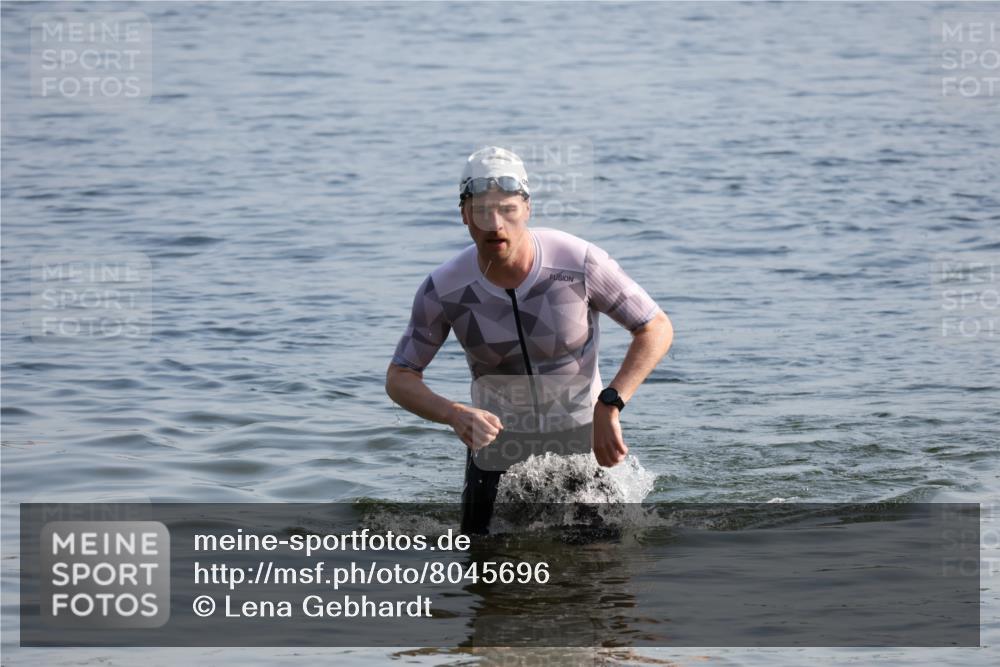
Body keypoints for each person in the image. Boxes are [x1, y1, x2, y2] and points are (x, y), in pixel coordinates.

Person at [386, 146, 673, 534]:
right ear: (464, 216)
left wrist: (612, 403)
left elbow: (654, 328)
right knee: (485, 575)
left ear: (527, 208)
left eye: (506, 208)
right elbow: (401, 376)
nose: (495, 223)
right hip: (496, 456)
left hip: (582, 448)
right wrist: (454, 414)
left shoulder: (577, 262)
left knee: (604, 579)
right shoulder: (445, 288)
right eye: (483, 210)